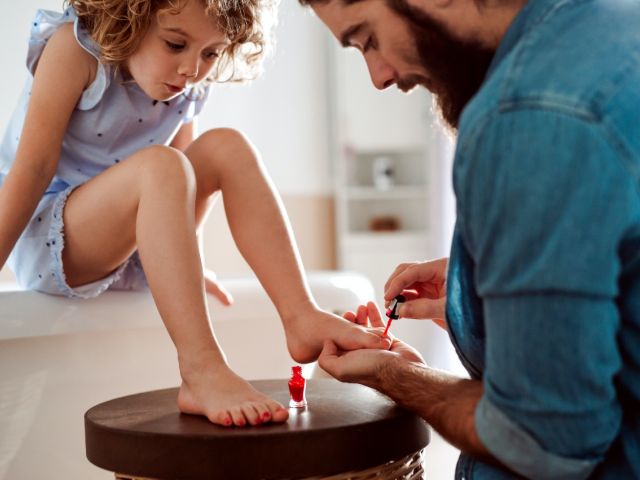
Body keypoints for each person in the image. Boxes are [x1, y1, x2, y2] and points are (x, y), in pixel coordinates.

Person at [0, 0, 390, 428]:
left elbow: (184, 180)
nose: (191, 68)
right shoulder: (76, 50)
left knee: (227, 146)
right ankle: (201, 367)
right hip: (52, 236)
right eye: (175, 44)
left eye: (211, 53)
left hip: (129, 237)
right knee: (161, 164)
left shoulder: (187, 83)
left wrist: (190, 264)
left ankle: (300, 314)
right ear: (128, 17)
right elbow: (32, 169)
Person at [299, 0, 640, 477]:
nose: (378, 77)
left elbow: (545, 444)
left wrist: (396, 376)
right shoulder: (617, 25)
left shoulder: (526, 116)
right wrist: (483, 287)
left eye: (367, 39)